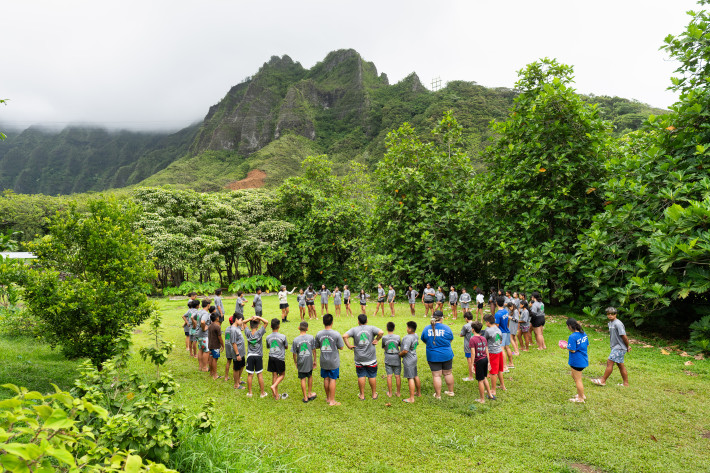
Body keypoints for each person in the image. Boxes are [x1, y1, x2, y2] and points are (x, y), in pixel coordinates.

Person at [343, 314, 384, 400]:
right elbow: (381, 332)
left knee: (361, 375)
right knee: (372, 376)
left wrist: (349, 346)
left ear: (358, 321)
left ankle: (362, 395)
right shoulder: (371, 328)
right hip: (371, 358)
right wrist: (377, 339)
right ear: (367, 321)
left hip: (359, 358)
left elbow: (344, 336)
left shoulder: (354, 329)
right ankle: (374, 394)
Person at [592, 307, 631, 387]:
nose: (610, 315)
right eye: (608, 314)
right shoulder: (610, 323)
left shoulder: (618, 324)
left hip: (619, 347)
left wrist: (627, 346)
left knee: (610, 362)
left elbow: (624, 336)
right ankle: (626, 384)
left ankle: (603, 381)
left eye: (612, 314)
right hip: (615, 347)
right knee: (620, 365)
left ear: (616, 314)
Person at [420, 310, 455, 399]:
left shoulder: (426, 329)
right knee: (448, 373)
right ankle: (451, 392)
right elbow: (451, 339)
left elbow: (424, 339)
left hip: (433, 355)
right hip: (447, 354)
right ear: (442, 318)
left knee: (436, 375)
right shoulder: (447, 328)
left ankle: (438, 395)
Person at [315, 313, 345, 406]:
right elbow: (341, 347)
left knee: (326, 378)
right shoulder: (336, 334)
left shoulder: (319, 334)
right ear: (332, 322)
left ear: (323, 322)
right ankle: (332, 401)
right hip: (333, 361)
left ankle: (328, 398)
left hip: (323, 360)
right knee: (332, 379)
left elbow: (316, 346)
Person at [563, 317, 589, 403]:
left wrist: (566, 346)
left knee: (578, 380)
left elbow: (572, 350)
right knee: (573, 375)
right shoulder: (583, 333)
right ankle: (581, 394)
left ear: (570, 326)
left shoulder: (572, 336)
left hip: (577, 361)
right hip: (583, 359)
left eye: (567, 326)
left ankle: (581, 398)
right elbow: (587, 345)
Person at [292, 321, 318, 403]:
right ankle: (309, 393)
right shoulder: (311, 337)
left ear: (299, 328)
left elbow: (294, 354)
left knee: (302, 378)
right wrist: (315, 360)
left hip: (301, 361)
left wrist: (296, 362)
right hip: (309, 361)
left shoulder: (295, 340)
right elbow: (314, 350)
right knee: (310, 376)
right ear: (307, 329)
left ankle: (305, 397)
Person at [244, 315, 269, 398]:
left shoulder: (248, 333)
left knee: (250, 375)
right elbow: (266, 322)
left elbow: (243, 322)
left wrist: (251, 318)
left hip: (250, 356)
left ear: (250, 326)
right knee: (259, 375)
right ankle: (262, 393)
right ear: (258, 325)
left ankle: (250, 393)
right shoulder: (259, 333)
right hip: (258, 356)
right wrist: (258, 317)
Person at [469, 321, 494, 403]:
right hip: (485, 359)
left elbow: (473, 353)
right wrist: (489, 362)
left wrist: (472, 364)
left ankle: (482, 399)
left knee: (480, 380)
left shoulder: (472, 339)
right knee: (484, 377)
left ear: (473, 329)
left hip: (479, 361)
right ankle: (490, 394)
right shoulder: (483, 338)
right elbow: (487, 350)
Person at [265, 318, 289, 400]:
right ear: (279, 326)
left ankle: (275, 395)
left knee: (274, 375)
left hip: (271, 357)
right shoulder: (283, 336)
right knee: (282, 375)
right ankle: (274, 386)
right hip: (280, 358)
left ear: (271, 326)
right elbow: (286, 346)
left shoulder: (268, 337)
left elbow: (268, 346)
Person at [483, 313, 505, 397]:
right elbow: (500, 341)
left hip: (492, 352)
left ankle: (493, 390)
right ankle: (502, 385)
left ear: (488, 322)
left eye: (485, 322)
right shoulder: (497, 329)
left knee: (493, 372)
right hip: (499, 351)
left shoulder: (488, 331)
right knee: (499, 370)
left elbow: (484, 342)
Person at [400, 321, 422, 403]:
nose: (406, 328)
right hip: (414, 357)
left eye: (407, 327)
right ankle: (418, 393)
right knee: (415, 375)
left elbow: (405, 351)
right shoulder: (415, 335)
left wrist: (399, 354)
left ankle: (411, 398)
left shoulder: (408, 338)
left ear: (409, 329)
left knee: (410, 378)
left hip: (408, 360)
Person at [225, 314, 246, 389]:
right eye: (241, 320)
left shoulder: (237, 327)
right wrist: (237, 354)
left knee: (242, 365)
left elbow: (243, 326)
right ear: (236, 319)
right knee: (236, 368)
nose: (242, 322)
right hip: (237, 352)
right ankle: (236, 384)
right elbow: (233, 343)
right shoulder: (233, 330)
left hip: (241, 351)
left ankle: (238, 380)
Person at [381, 321, 401, 397]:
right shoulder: (398, 337)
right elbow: (400, 345)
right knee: (397, 376)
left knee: (389, 376)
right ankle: (398, 393)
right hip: (397, 358)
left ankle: (390, 393)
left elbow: (383, 347)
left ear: (386, 328)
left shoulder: (384, 338)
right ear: (394, 328)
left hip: (388, 358)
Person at [495, 297, 514, 370]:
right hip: (507, 331)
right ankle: (511, 363)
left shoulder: (497, 314)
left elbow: (497, 325)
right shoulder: (506, 311)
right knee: (507, 347)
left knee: (501, 348)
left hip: (501, 333)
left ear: (496, 303)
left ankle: (505, 366)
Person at [207, 313, 224, 380]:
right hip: (215, 346)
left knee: (211, 358)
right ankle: (215, 375)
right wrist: (222, 345)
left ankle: (211, 373)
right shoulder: (217, 327)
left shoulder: (210, 326)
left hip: (210, 345)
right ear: (217, 318)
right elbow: (219, 337)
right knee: (215, 359)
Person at [196, 299, 212, 372]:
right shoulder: (205, 314)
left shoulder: (199, 312)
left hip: (198, 334)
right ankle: (205, 367)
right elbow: (203, 321)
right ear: (208, 305)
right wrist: (203, 328)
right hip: (204, 334)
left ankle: (200, 366)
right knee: (206, 351)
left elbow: (193, 317)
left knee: (200, 349)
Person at [459, 311, 475, 381]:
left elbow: (461, 334)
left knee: (470, 361)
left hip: (468, 346)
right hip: (476, 345)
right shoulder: (476, 324)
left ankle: (471, 377)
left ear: (466, 318)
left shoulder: (466, 326)